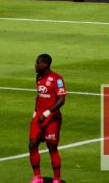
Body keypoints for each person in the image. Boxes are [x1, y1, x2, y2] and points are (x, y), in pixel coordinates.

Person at [29, 54, 66, 183]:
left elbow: (62, 100)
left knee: (52, 148)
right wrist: (35, 111)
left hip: (52, 119)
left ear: (45, 64)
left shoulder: (57, 79)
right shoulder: (38, 76)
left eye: (38, 63)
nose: (36, 65)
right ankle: (37, 177)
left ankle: (56, 179)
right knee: (32, 144)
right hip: (38, 117)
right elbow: (39, 95)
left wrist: (47, 113)